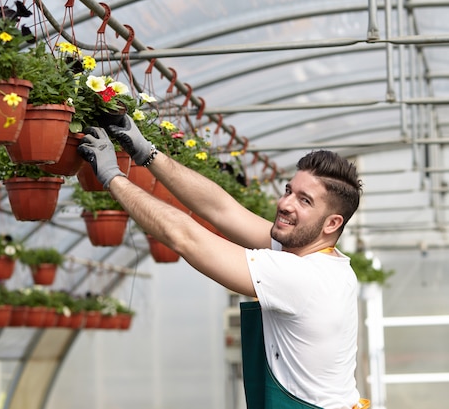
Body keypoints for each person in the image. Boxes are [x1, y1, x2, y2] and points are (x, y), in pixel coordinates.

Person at [77, 117, 369, 409]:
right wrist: (147, 152)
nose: (285, 204)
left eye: (305, 201)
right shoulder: (321, 259)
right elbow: (223, 210)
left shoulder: (303, 277)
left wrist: (113, 177)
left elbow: (186, 238)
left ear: (332, 223)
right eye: (288, 190)